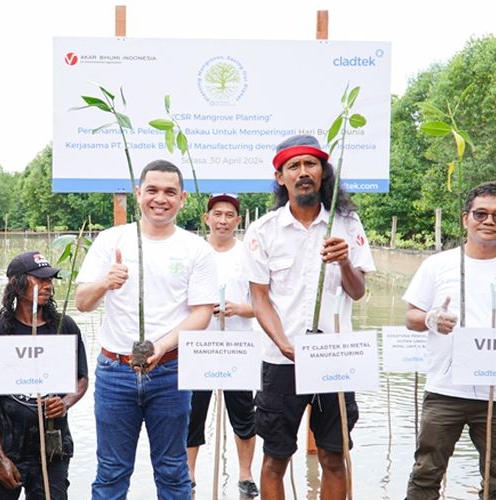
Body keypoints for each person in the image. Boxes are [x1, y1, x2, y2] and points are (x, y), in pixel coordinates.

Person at [242, 135, 375, 499]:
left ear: (323, 173)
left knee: (334, 456)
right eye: (294, 166)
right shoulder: (263, 229)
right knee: (275, 458)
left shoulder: (346, 224)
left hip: (334, 358)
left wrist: (345, 260)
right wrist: (284, 344)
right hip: (280, 361)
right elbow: (259, 298)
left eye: (310, 164)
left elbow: (358, 291)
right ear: (281, 177)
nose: (303, 173)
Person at [75, 159, 217, 499]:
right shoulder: (112, 241)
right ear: (139, 193)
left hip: (171, 371)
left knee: (172, 469)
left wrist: (162, 345)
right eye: (152, 190)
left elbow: (202, 313)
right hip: (115, 371)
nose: (160, 199)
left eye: (170, 192)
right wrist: (105, 283)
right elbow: (82, 302)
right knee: (111, 471)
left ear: (182, 198)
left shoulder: (195, 248)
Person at [404, 181, 496, 500]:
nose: (489, 221)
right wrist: (431, 318)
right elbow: (411, 318)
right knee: (426, 473)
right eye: (481, 213)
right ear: (465, 218)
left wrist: (494, 354)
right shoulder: (437, 265)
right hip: (446, 389)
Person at [0, 251, 89, 499]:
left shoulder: (64, 327)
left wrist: (65, 402)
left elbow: (81, 379)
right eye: (39, 280)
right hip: (7, 446)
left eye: (50, 280)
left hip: (52, 447)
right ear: (16, 284)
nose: (48, 286)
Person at [186, 193, 258, 497]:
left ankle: (245, 474)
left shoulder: (249, 256)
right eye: (217, 214)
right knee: (192, 413)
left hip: (237, 346)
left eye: (230, 215)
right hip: (198, 346)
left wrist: (239, 309)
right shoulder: (193, 253)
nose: (223, 220)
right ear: (207, 219)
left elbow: (266, 304)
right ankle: (187, 475)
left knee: (243, 413)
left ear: (238, 221)